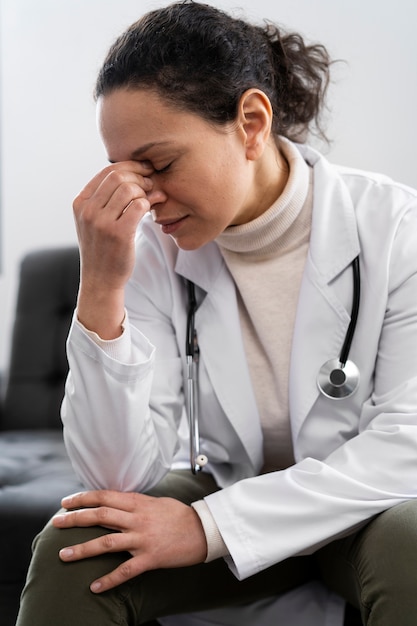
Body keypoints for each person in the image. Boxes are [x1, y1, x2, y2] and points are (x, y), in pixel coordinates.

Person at [16, 2, 417, 625]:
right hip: (226, 490)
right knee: (79, 545)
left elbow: (406, 448)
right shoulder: (151, 251)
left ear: (251, 122)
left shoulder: (396, 229)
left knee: (412, 539)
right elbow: (115, 477)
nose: (145, 196)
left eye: (161, 164)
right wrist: (100, 288)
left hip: (362, 511)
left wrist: (208, 526)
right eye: (126, 171)